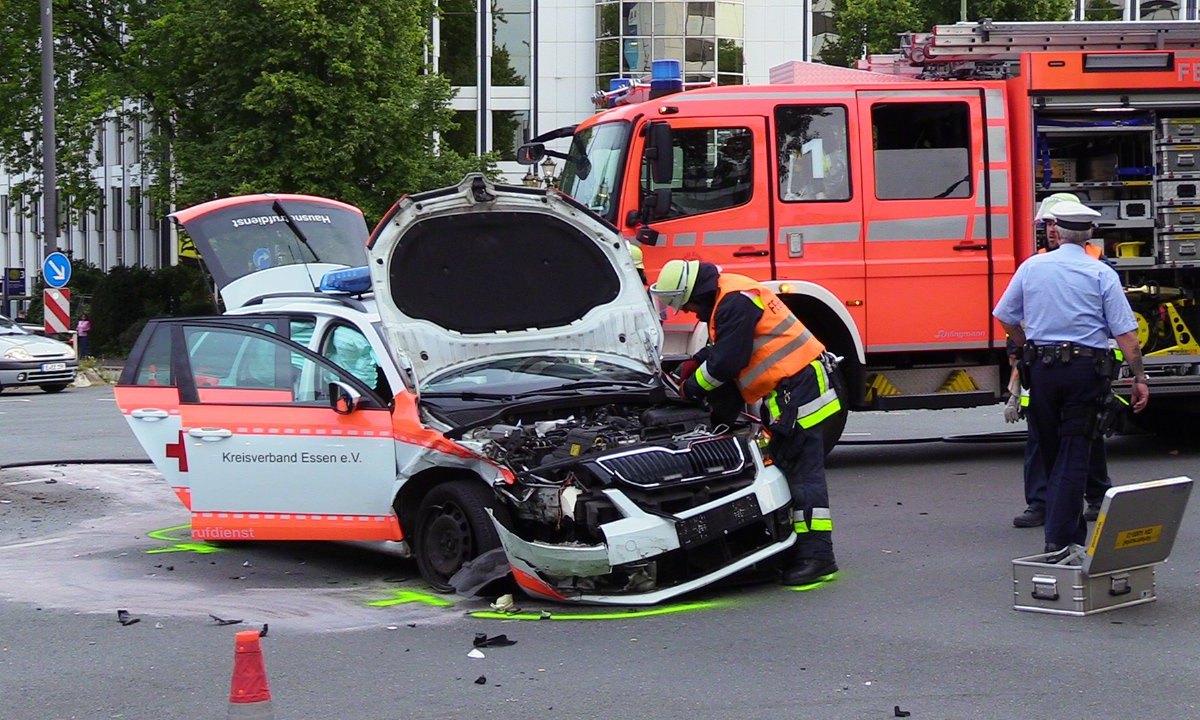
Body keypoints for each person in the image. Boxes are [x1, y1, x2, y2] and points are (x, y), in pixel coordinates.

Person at [649, 259, 842, 585]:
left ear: (699, 294)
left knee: (802, 473)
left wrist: (690, 388)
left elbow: (727, 363)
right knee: (786, 467)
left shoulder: (734, 301)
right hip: (791, 390)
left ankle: (818, 555)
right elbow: (721, 351)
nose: (692, 313)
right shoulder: (729, 296)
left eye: (690, 305)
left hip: (799, 390)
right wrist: (690, 365)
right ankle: (794, 547)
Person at [993, 200, 1149, 553]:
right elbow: (1126, 334)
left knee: (1051, 451)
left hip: (1043, 370)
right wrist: (1139, 377)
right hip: (1085, 371)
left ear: (1057, 232)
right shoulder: (1101, 273)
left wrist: (1025, 342)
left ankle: (1066, 534)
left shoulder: (1032, 267)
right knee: (1076, 450)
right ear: (1090, 233)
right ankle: (1060, 540)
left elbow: (1004, 315)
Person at [1008, 194, 1112, 528]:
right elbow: (1012, 315)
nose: (1052, 229)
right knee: (1044, 435)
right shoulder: (1035, 263)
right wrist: (1020, 352)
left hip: (1081, 361)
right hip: (1044, 361)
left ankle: (1094, 496)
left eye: (1055, 222)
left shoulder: (1096, 263)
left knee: (1085, 434)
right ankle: (1042, 501)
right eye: (1047, 223)